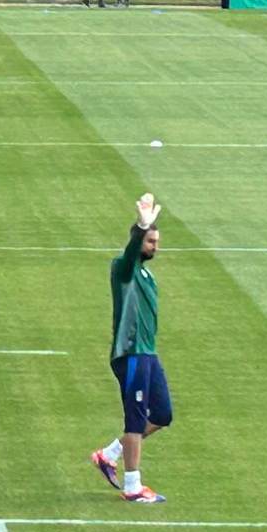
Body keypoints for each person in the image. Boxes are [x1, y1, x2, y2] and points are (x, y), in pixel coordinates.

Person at [91, 194, 168, 503]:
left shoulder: (147, 275)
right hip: (131, 353)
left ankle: (108, 454)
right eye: (150, 241)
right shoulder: (124, 270)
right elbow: (130, 252)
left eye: (156, 241)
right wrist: (141, 227)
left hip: (148, 353)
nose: (154, 246)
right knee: (135, 420)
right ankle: (132, 486)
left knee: (162, 414)